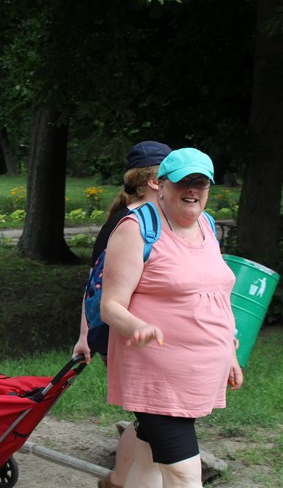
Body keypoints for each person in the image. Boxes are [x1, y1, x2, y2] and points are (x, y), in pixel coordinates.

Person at [100, 147, 243, 488]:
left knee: (148, 459)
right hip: (156, 373)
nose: (192, 190)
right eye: (183, 182)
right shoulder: (136, 229)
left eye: (201, 183)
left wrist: (230, 353)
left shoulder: (207, 224)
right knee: (184, 475)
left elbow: (216, 293)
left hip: (198, 373)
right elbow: (111, 305)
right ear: (160, 184)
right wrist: (137, 326)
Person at [72, 140, 171, 488]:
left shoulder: (161, 220)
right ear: (155, 182)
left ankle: (117, 479)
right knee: (157, 422)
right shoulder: (127, 224)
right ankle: (126, 479)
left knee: (150, 422)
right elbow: (96, 287)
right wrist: (85, 335)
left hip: (149, 337)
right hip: (128, 336)